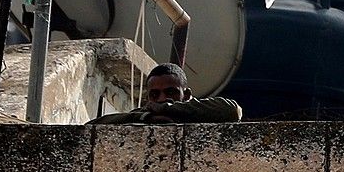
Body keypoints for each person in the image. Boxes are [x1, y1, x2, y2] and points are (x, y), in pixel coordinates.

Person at [90, 63, 243, 124]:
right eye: (155, 94)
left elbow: (232, 110)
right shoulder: (146, 115)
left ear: (187, 94)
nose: (162, 99)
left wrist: (168, 109)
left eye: (171, 92)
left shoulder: (200, 112)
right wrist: (146, 117)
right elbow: (92, 126)